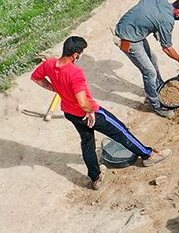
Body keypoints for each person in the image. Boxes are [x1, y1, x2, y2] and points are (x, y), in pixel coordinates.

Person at [32, 36, 162, 189]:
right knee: (120, 131)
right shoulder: (75, 73)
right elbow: (82, 102)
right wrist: (91, 111)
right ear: (75, 55)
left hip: (70, 113)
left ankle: (96, 178)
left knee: (87, 144)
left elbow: (36, 78)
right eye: (81, 53)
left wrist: (54, 88)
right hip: (88, 112)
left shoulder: (49, 64)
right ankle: (148, 155)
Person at [115, 0, 179, 117]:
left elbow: (147, 11)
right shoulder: (167, 20)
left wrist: (155, 28)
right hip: (127, 39)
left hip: (131, 29)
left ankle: (158, 86)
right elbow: (167, 48)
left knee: (153, 59)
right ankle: (156, 105)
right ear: (178, 11)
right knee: (149, 72)